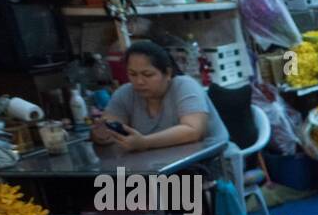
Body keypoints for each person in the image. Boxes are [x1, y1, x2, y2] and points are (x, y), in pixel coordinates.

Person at [91, 40, 229, 152]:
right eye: (132, 74)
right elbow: (111, 127)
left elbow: (193, 131)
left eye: (148, 75)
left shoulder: (185, 86)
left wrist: (145, 142)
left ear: (167, 73)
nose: (139, 81)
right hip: (160, 164)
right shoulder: (125, 93)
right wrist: (102, 135)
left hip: (212, 161)